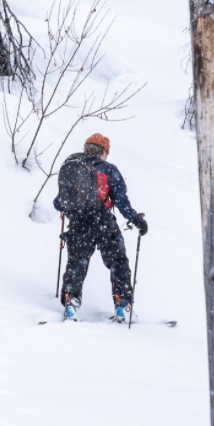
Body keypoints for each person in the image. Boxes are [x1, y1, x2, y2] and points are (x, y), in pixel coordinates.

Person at [54, 133, 148, 322]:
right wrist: (136, 219)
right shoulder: (109, 169)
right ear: (103, 151)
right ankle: (123, 304)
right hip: (104, 222)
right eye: (107, 152)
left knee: (77, 262)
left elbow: (58, 203)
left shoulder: (74, 167)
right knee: (118, 262)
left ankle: (71, 302)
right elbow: (121, 202)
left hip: (79, 223)